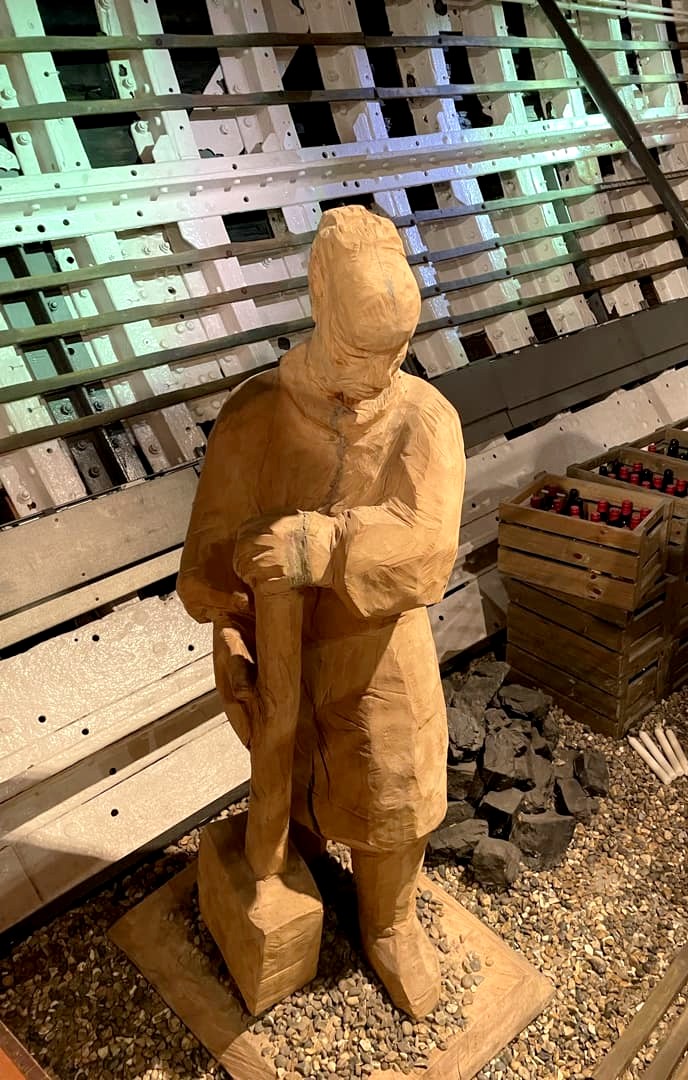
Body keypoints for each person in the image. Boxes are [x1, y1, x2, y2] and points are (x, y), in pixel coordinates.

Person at [177, 205, 466, 1018]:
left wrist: (324, 546)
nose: (373, 373)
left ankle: (390, 921)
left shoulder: (424, 420)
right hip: (281, 655)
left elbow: (429, 551)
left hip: (379, 652)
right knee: (291, 782)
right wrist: (228, 637)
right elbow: (207, 560)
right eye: (354, 349)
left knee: (397, 790)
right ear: (317, 297)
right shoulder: (256, 415)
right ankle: (294, 872)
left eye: (392, 353)